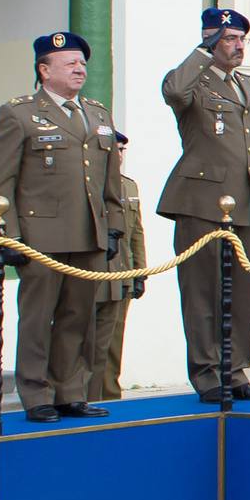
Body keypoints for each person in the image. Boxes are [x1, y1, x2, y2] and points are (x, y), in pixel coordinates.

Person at [0, 31, 122, 423]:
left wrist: (111, 226)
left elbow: (110, 179)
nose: (80, 69)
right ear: (44, 70)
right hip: (39, 237)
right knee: (37, 319)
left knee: (78, 317)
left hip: (88, 234)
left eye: (82, 63)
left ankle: (69, 391)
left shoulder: (96, 113)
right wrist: (6, 233)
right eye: (69, 63)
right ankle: (36, 393)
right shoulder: (19, 113)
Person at [158, 8, 250, 403]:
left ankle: (235, 368)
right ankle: (208, 373)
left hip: (247, 204)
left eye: (242, 38)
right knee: (203, 292)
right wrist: (202, 51)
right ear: (210, 40)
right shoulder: (194, 80)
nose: (238, 45)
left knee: (244, 291)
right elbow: (174, 93)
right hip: (202, 202)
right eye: (229, 38)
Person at [91, 134, 146, 401]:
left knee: (113, 345)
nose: (120, 155)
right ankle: (87, 395)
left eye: (122, 149)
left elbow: (136, 233)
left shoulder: (129, 187)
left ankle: (110, 396)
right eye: (116, 149)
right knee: (88, 344)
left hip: (121, 276)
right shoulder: (92, 185)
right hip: (93, 275)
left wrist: (140, 272)